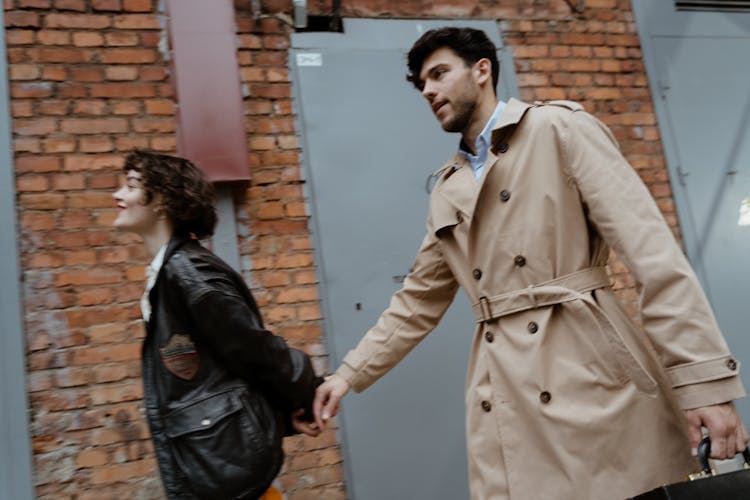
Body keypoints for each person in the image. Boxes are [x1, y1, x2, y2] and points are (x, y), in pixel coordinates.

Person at [313, 27, 748, 499]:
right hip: (506, 392)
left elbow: (654, 257)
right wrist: (348, 375)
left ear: (482, 70)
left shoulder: (558, 129)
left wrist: (705, 383)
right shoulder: (446, 188)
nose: (429, 91)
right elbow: (416, 303)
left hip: (591, 370)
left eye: (439, 74)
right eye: (422, 84)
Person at [112, 151, 321, 499]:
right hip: (215, 465)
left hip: (229, 475)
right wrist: (285, 414)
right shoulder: (170, 274)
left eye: (130, 186)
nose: (118, 195)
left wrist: (306, 395)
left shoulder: (187, 273)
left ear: (162, 200)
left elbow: (256, 351)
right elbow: (222, 371)